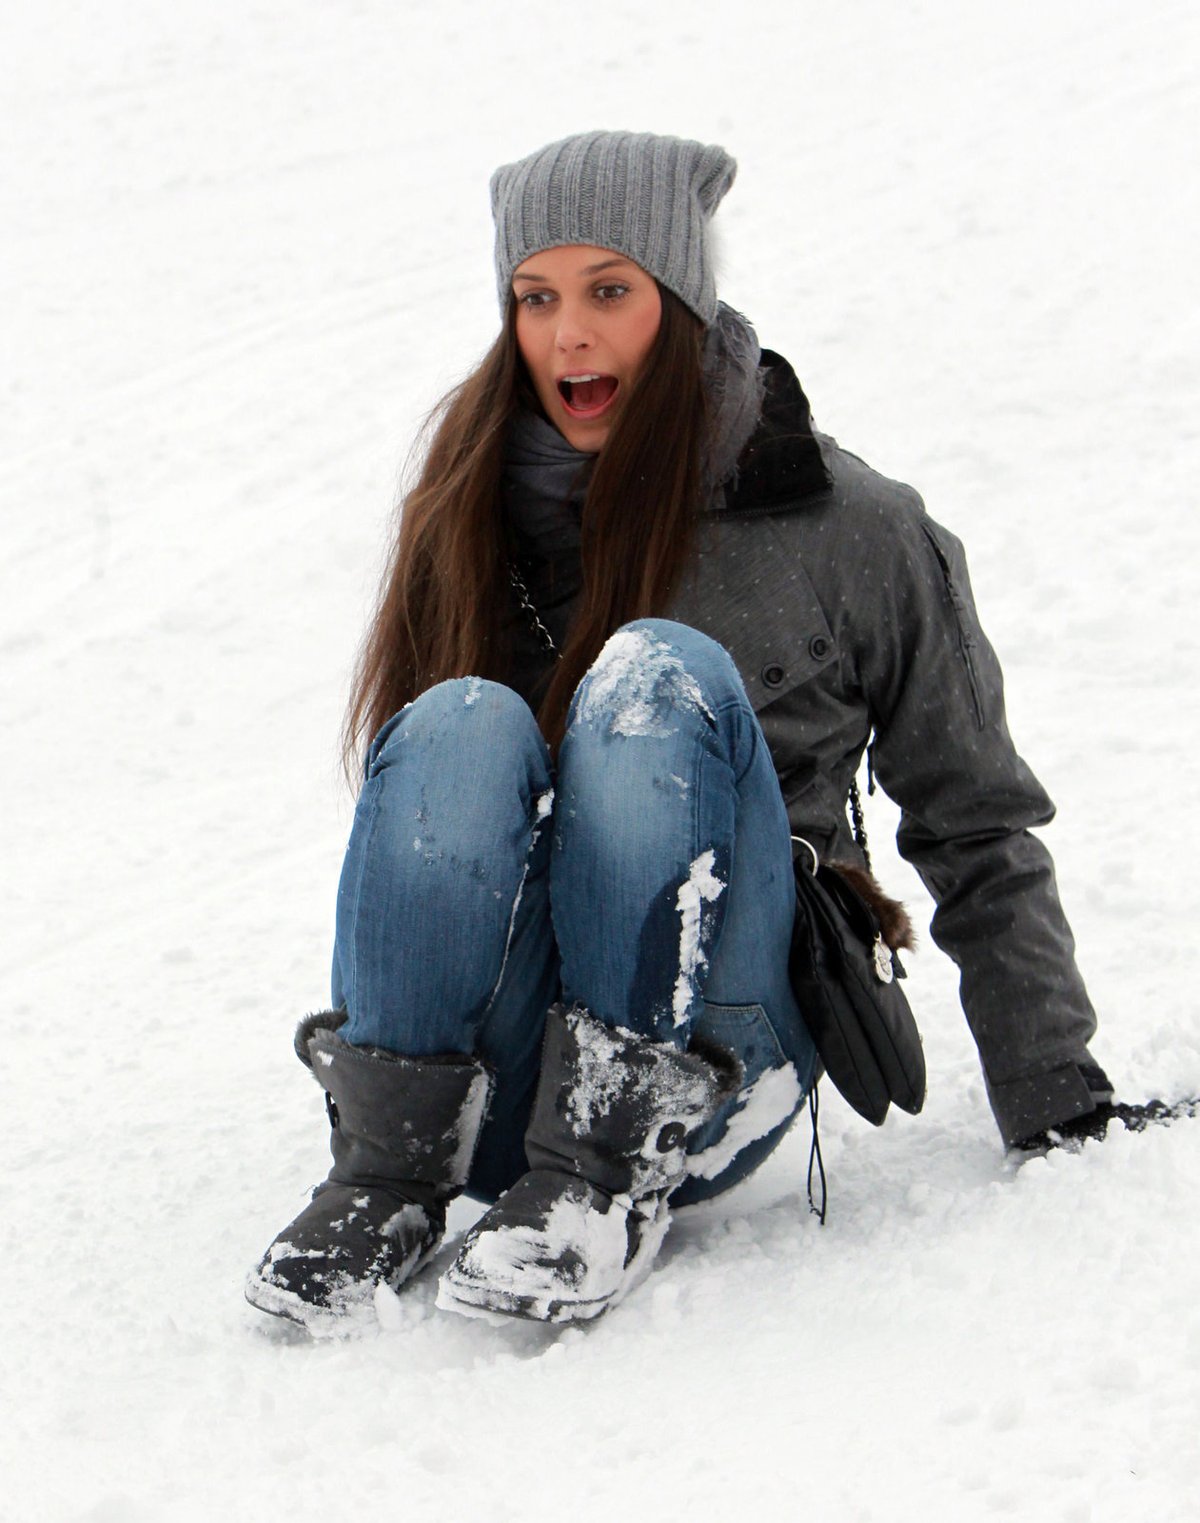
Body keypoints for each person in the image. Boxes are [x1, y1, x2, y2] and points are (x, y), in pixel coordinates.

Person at [245, 130, 1186, 1333]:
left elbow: (976, 819)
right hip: (499, 1088)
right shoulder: (470, 509)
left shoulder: (849, 523)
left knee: (656, 675)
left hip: (718, 1056)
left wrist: (1056, 1091)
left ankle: (604, 1181)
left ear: (680, 299)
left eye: (608, 292)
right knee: (457, 722)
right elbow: (424, 835)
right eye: (535, 299)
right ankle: (388, 1174)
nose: (567, 336)